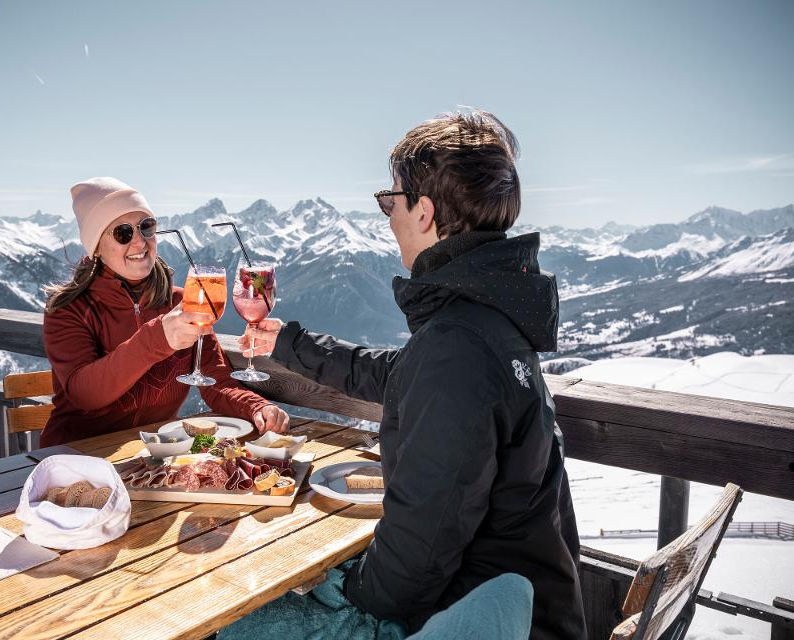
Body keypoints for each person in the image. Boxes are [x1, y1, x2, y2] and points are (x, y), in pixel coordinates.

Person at [233, 111, 586, 639]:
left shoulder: (458, 345)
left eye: (388, 200)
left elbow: (421, 545)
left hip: (473, 618)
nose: (386, 216)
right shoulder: (487, 319)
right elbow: (402, 376)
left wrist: (350, 598)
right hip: (516, 597)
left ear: (424, 211)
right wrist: (287, 343)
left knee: (244, 621)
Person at [40, 177, 288, 447]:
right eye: (123, 233)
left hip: (154, 454)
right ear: (96, 247)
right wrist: (157, 338)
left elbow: (215, 378)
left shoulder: (183, 302)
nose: (139, 242)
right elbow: (84, 394)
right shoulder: (69, 310)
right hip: (78, 457)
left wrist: (256, 407)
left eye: (146, 227)